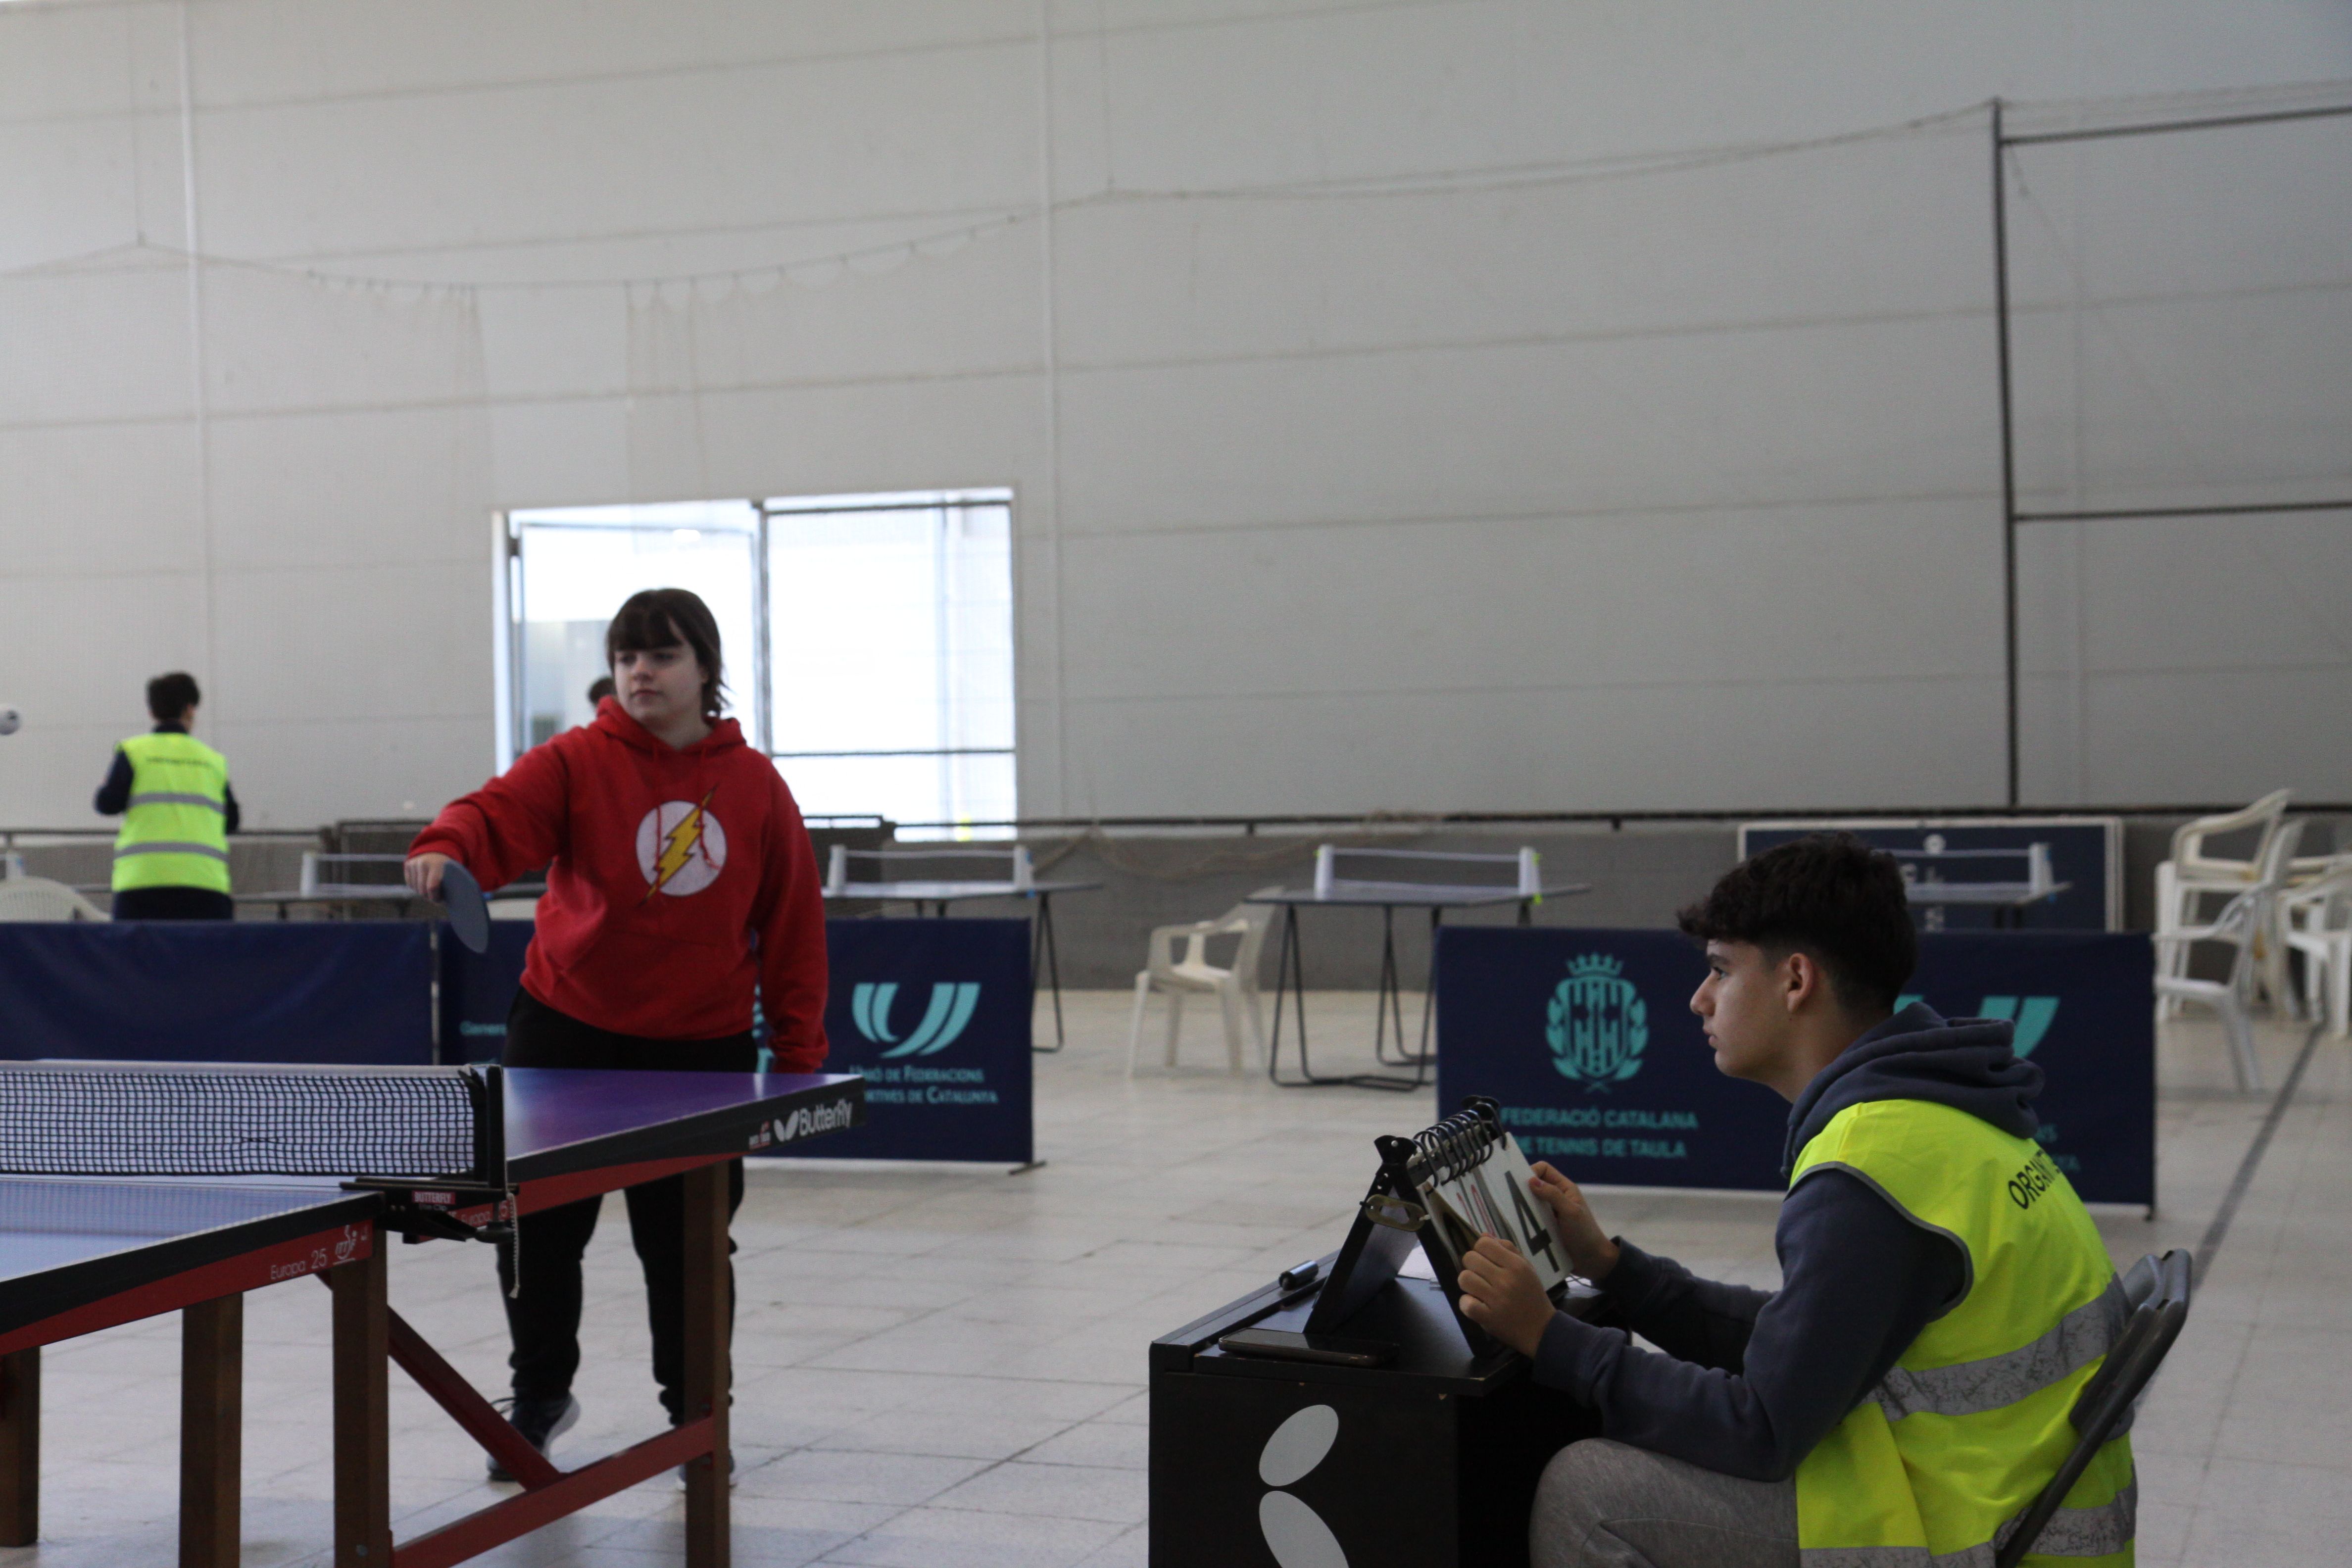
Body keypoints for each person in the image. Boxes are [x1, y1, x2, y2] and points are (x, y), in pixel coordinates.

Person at [1456, 834, 2135, 1568]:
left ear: (1796, 980)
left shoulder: (1869, 1167)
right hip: (2005, 1490)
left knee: (1586, 1490)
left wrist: (1552, 1338)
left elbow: (1762, 1428)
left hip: (1970, 1525)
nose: (1699, 999)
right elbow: (1807, 1347)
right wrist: (1620, 1270)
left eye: (1720, 970)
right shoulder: (1944, 1110)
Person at [403, 587, 828, 1478]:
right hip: (565, 1036)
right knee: (536, 1233)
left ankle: (699, 1417)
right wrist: (449, 845)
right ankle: (539, 1396)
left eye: (664, 654)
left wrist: (796, 1059)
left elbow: (793, 924)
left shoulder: (755, 786)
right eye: (629, 654)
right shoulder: (573, 761)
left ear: (706, 669)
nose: (642, 670)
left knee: (689, 1252)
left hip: (700, 1055)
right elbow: (494, 814)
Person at [95, 671, 241, 920]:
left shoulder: (133, 752)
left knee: (135, 960)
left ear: (152, 712)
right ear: (191, 709)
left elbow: (107, 804)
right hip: (205, 885)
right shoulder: (212, 761)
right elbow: (232, 821)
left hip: (142, 884)